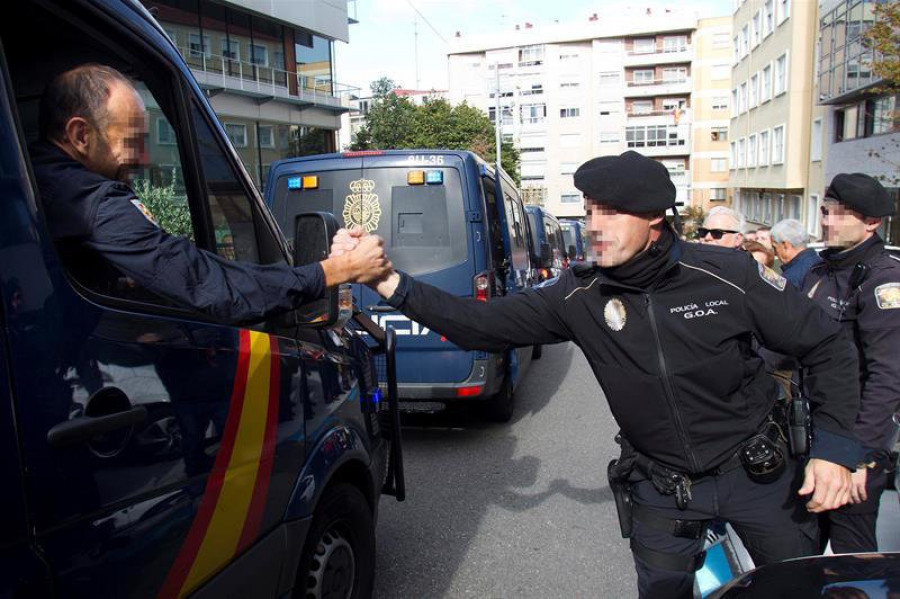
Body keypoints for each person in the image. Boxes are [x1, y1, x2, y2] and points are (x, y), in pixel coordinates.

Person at [335, 151, 862, 599]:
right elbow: (477, 325)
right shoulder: (579, 295)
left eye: (610, 212)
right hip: (662, 487)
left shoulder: (728, 274)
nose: (593, 225)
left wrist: (835, 448)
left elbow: (828, 345)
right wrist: (384, 278)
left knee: (795, 588)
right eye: (590, 210)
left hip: (756, 477)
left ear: (655, 217)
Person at [29, 63, 389, 324]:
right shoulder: (90, 202)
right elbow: (207, 284)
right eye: (133, 142)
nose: (144, 158)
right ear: (79, 136)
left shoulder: (41, 184)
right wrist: (335, 269)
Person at [803, 173, 900, 554]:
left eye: (842, 215)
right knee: (800, 549)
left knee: (852, 558)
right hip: (813, 433)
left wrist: (858, 456)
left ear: (872, 222)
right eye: (826, 211)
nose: (828, 221)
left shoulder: (883, 282)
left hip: (855, 444)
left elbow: (888, 378)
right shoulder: (820, 270)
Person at [771, 219, 822, 289]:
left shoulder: (789, 279)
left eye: (774, 247)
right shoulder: (822, 263)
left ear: (786, 245)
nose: (775, 253)